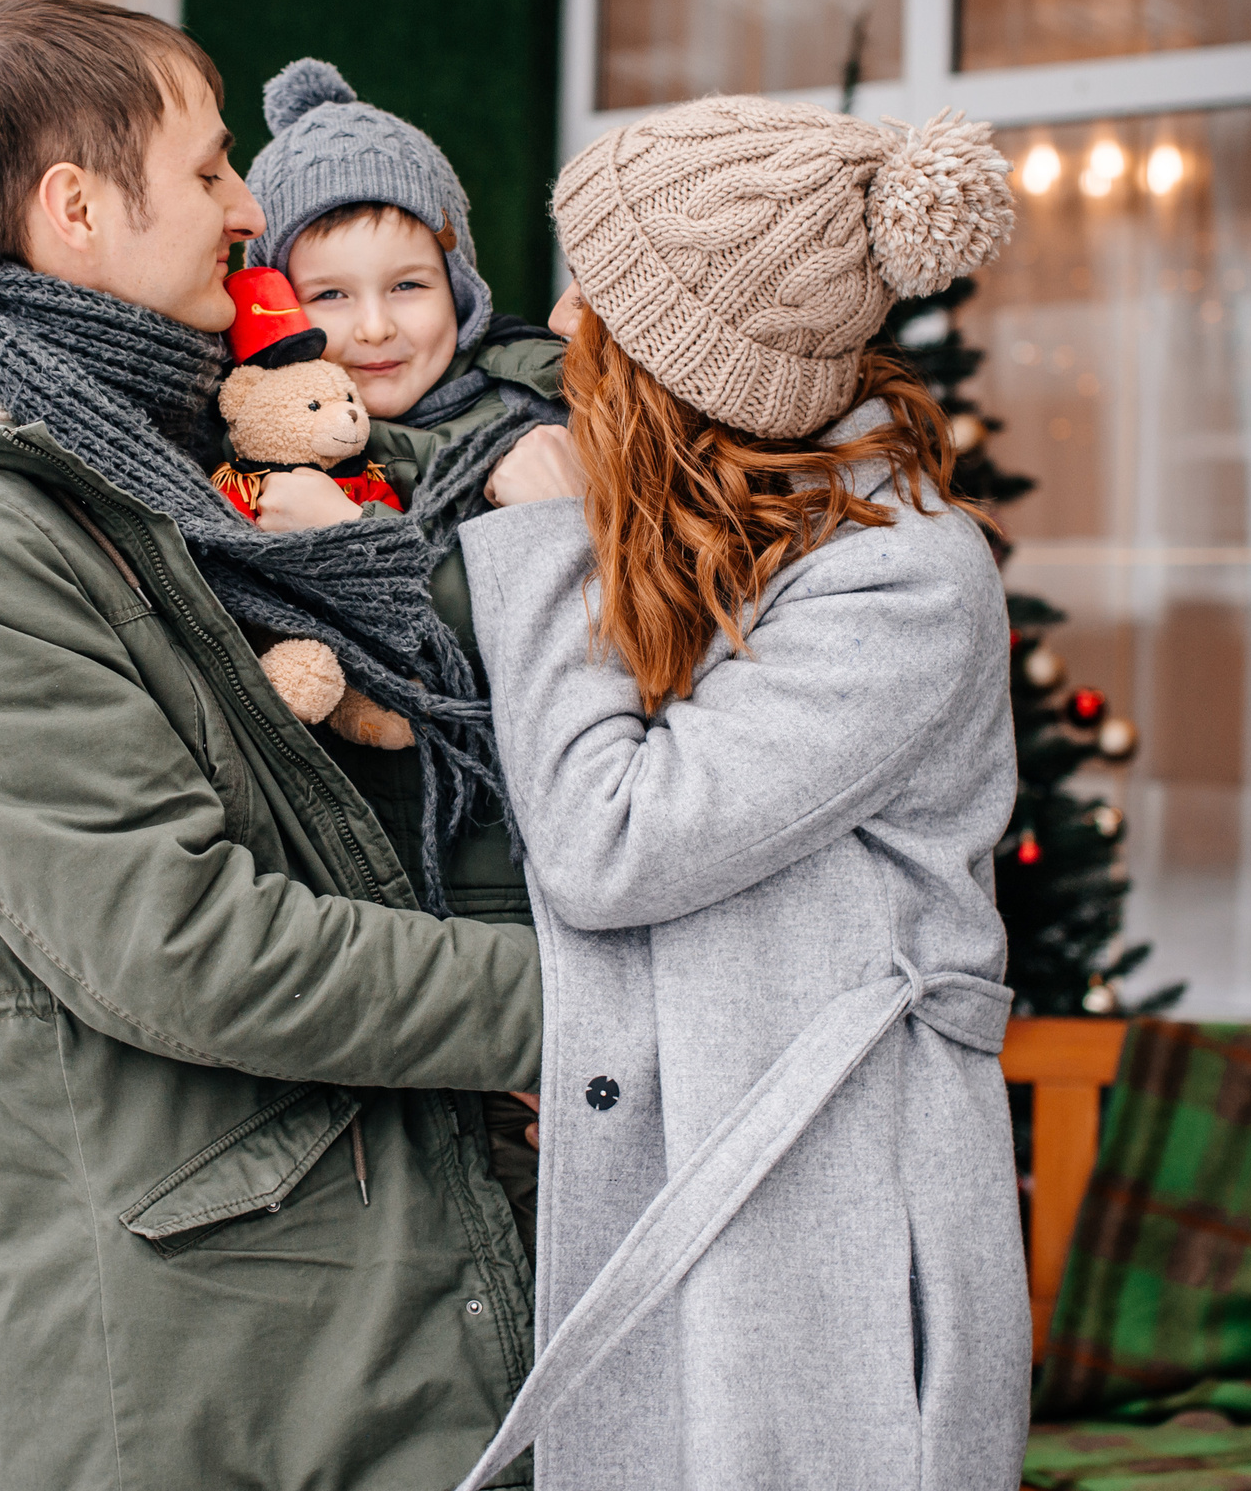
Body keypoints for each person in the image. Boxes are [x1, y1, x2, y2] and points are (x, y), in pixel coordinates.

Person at [0, 0, 541, 1491]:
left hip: (336, 1313)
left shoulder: (174, 474)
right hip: (193, 1371)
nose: (250, 207)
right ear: (75, 209)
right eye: (207, 173)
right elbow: (185, 945)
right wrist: (592, 1005)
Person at [446, 96, 1032, 1490]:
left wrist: (538, 542)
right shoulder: (726, 537)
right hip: (716, 1175)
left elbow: (613, 838)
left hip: (825, 1214)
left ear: (692, 359)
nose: (563, 313)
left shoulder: (903, 584)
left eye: (603, 289)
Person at [236, 57, 569, 1247]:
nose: (374, 328)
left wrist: (376, 562)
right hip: (352, 961)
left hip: (509, 927)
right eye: (329, 293)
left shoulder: (532, 446)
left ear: (461, 282)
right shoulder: (257, 458)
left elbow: (558, 695)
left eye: (410, 284)